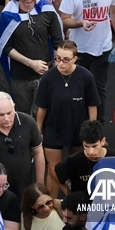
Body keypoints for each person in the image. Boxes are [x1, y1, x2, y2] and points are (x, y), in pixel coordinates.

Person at [36, 41, 99, 195]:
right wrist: (39, 129)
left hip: (78, 128)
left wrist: (91, 130)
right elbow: (42, 107)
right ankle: (50, 205)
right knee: (53, 168)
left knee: (75, 167)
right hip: (53, 128)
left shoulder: (85, 76)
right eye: (57, 58)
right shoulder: (48, 78)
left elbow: (92, 105)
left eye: (65, 59)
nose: (60, 63)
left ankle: (74, 200)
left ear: (75, 59)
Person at [59, 0, 115, 105]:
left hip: (103, 45)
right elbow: (64, 18)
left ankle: (97, 124)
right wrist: (81, 23)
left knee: (99, 88)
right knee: (78, 87)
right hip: (80, 48)